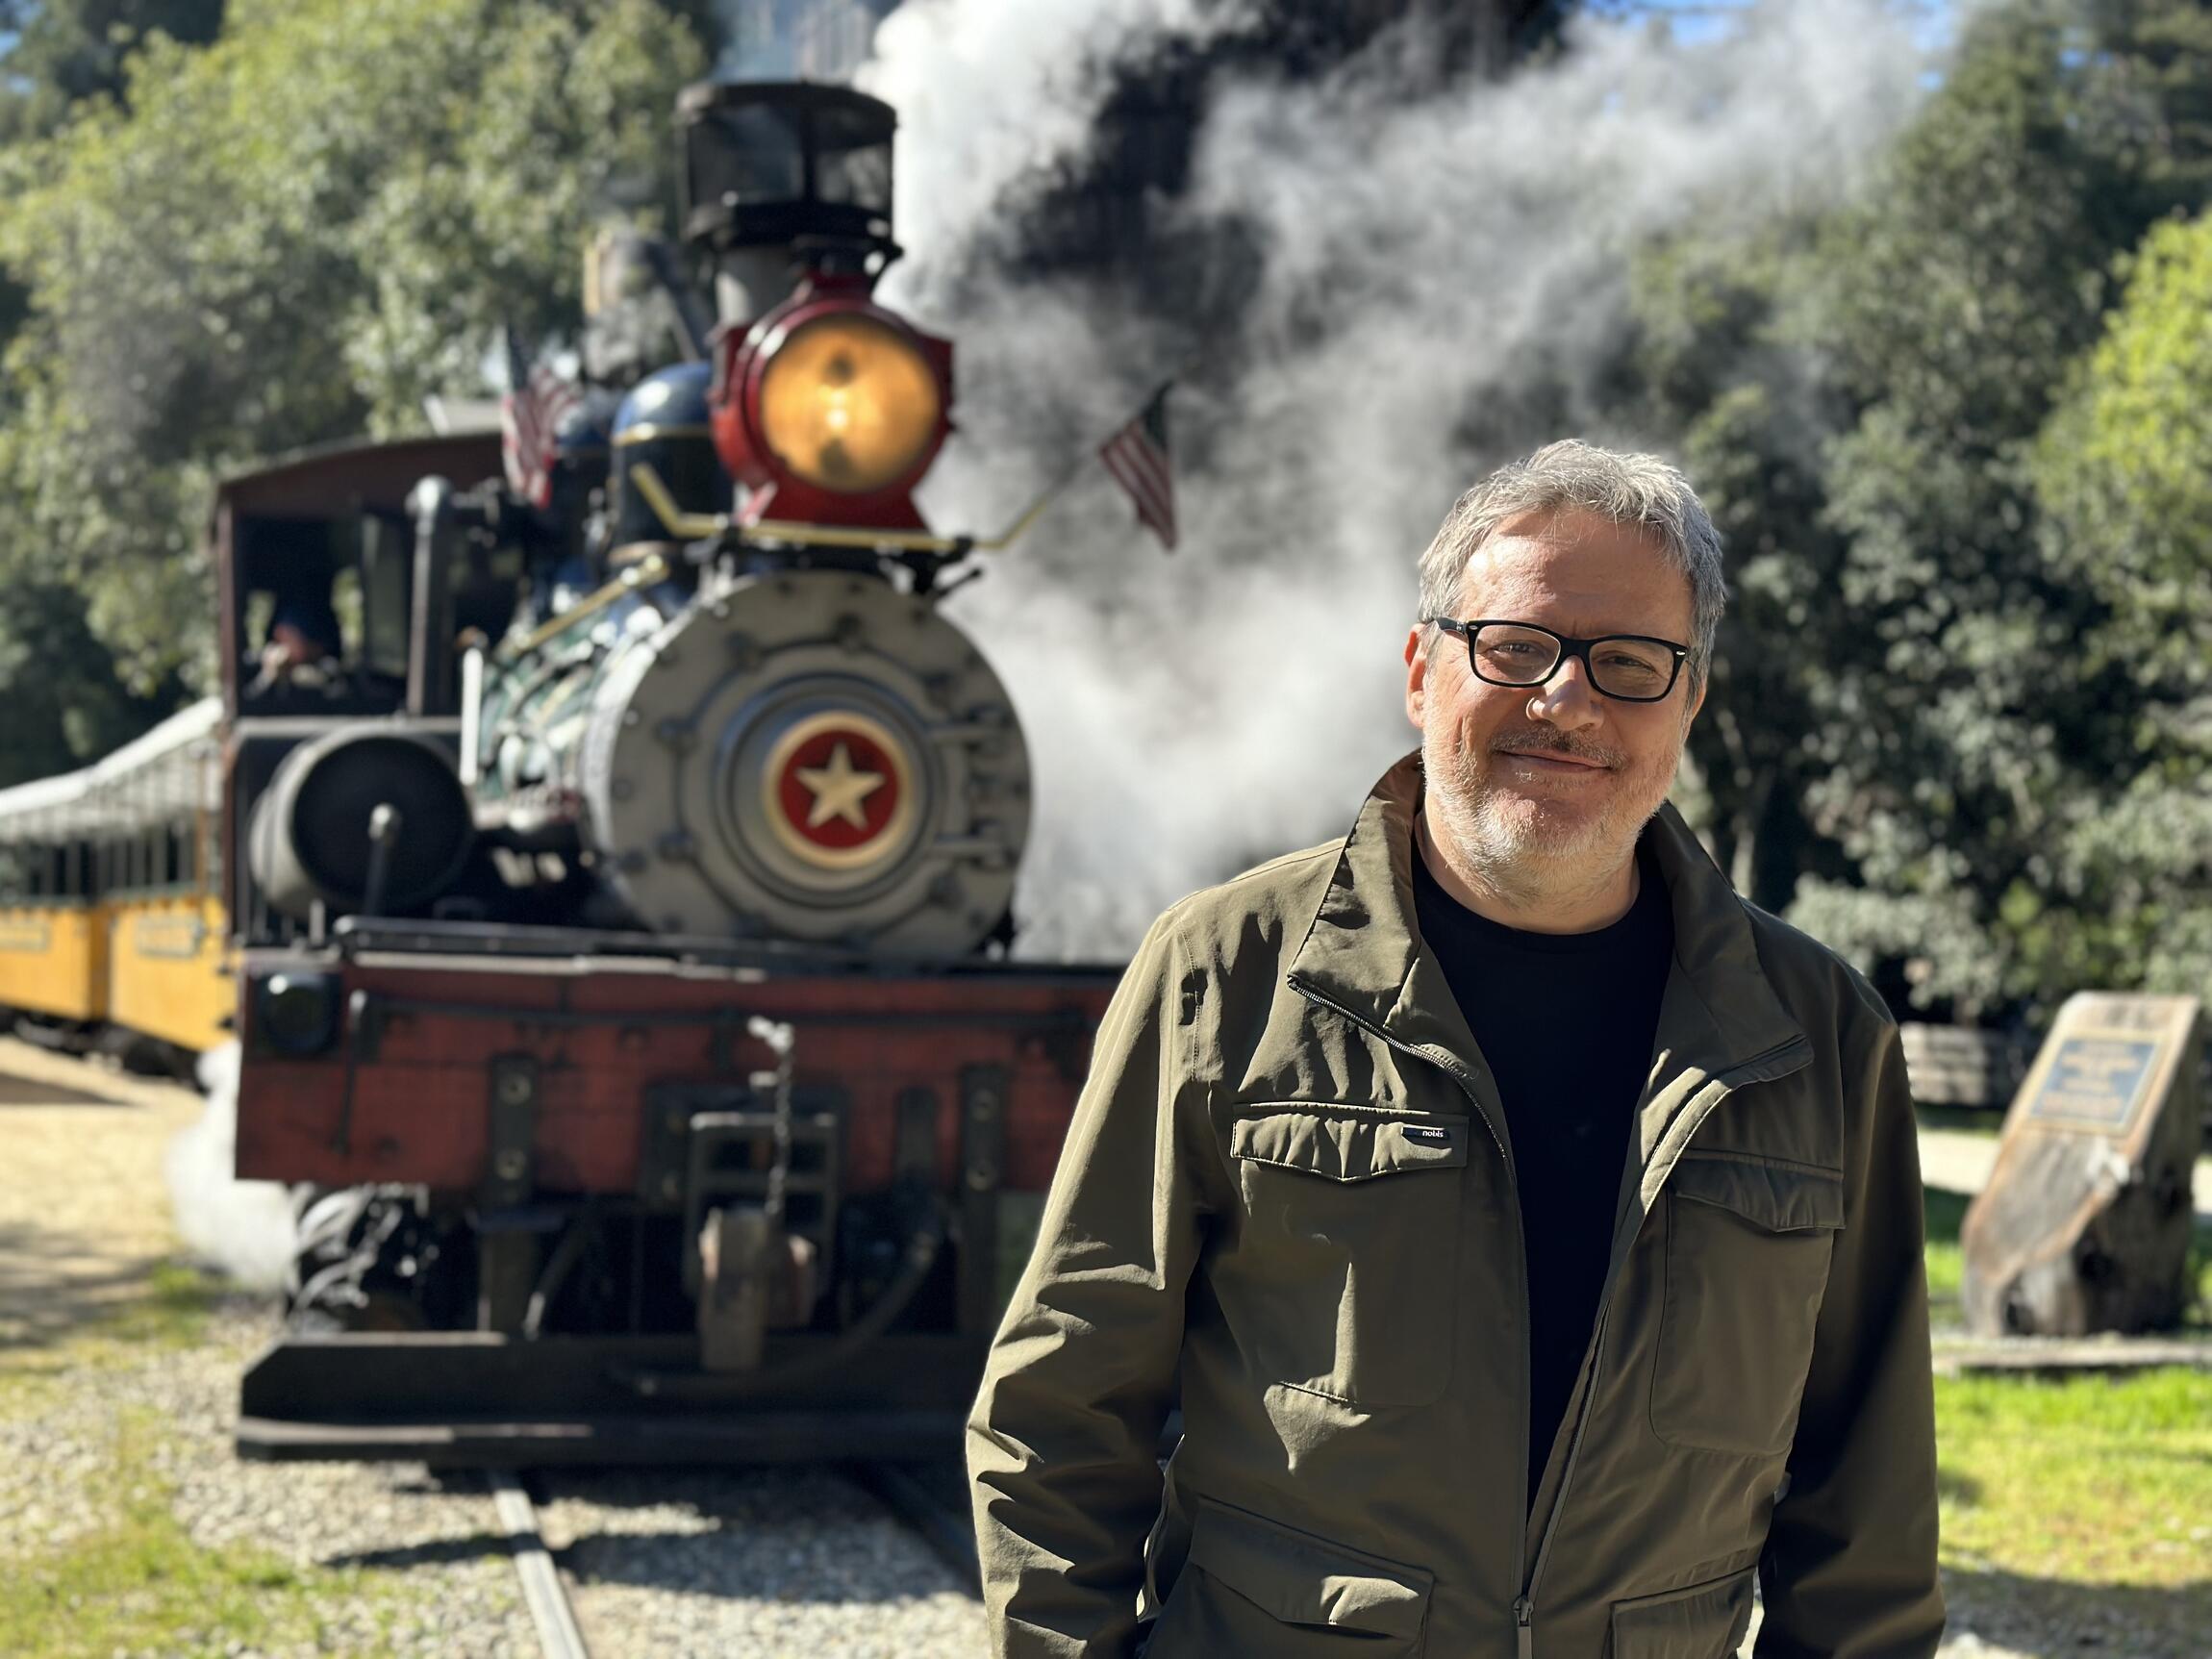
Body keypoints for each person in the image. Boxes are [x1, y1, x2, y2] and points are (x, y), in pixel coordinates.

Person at [967, 440, 1944, 1658]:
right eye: (1516, 647)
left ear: (1688, 701)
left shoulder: (1818, 1037)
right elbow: (1060, 1412)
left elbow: (1868, 1501)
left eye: (1630, 663)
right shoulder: (1226, 973)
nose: (1566, 702)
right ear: (1421, 668)